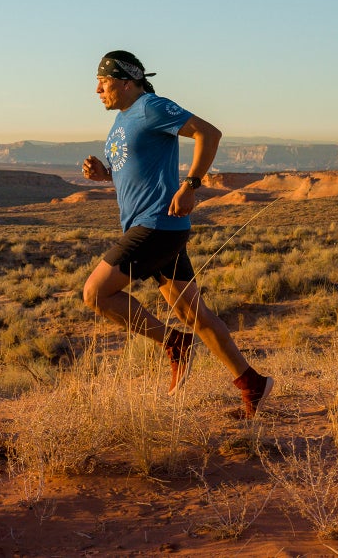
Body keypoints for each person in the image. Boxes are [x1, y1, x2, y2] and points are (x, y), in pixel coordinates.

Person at [80, 50, 273, 418]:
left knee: (96, 294)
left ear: (125, 81)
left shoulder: (151, 106)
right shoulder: (122, 120)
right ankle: (253, 384)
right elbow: (136, 171)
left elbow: (208, 133)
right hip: (156, 226)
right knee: (193, 314)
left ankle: (174, 343)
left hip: (155, 225)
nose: (97, 89)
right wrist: (104, 175)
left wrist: (191, 185)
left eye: (102, 81)